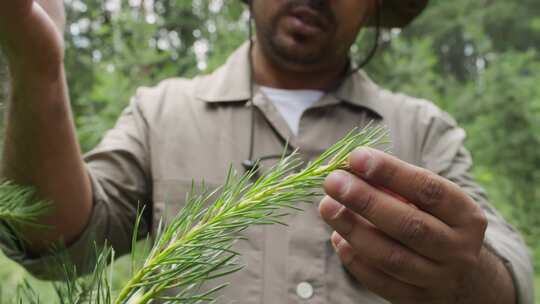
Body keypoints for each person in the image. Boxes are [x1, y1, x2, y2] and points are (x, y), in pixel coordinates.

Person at [0, 0, 534, 303]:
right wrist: (37, 67)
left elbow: (511, 273)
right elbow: (55, 241)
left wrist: (469, 275)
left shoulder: (422, 130)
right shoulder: (161, 112)